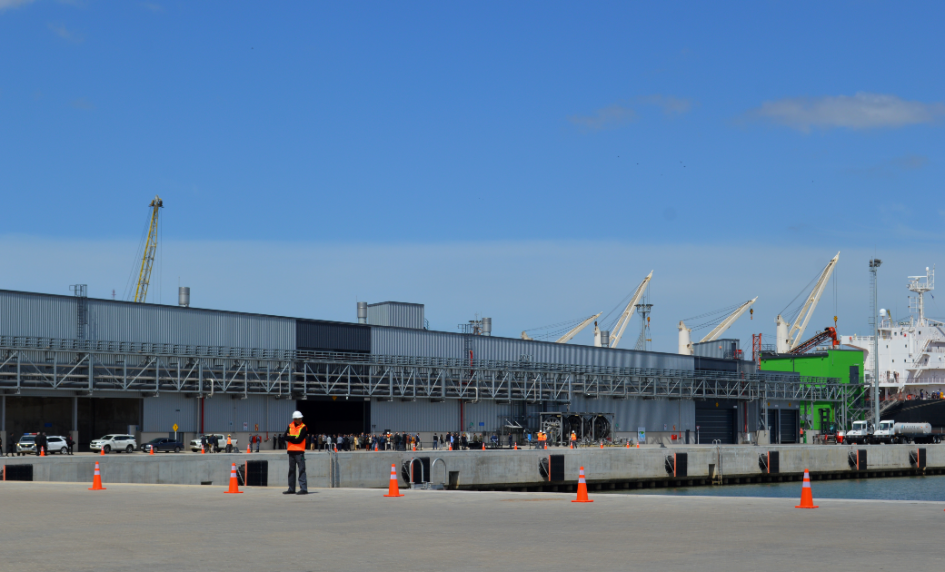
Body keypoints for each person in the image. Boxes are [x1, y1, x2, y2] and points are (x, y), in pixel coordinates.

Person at [284, 411, 309, 495]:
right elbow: (285, 437)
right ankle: (291, 489)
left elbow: (299, 440)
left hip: (299, 452)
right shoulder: (290, 426)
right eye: (299, 418)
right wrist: (293, 437)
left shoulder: (304, 427)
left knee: (301, 470)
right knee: (291, 470)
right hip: (291, 451)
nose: (301, 419)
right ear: (295, 419)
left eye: (301, 418)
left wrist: (290, 438)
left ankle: (304, 489)